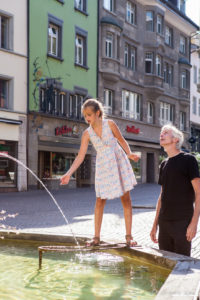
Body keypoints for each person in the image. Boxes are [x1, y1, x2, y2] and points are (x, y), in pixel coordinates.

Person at [60, 98, 140, 247]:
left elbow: (122, 141)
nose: (87, 118)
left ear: (98, 113)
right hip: (103, 166)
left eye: (89, 114)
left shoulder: (110, 124)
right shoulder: (87, 134)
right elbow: (80, 156)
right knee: (99, 201)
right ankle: (96, 237)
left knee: (126, 199)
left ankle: (129, 237)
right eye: (85, 115)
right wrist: (68, 173)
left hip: (118, 161)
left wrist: (129, 153)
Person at [150, 124, 200, 256]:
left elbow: (198, 193)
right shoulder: (164, 164)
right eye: (161, 132)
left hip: (182, 222)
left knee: (182, 267)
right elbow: (162, 195)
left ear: (176, 139)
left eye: (165, 132)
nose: (161, 134)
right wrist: (155, 224)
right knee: (165, 265)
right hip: (164, 222)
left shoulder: (189, 160)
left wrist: (194, 223)